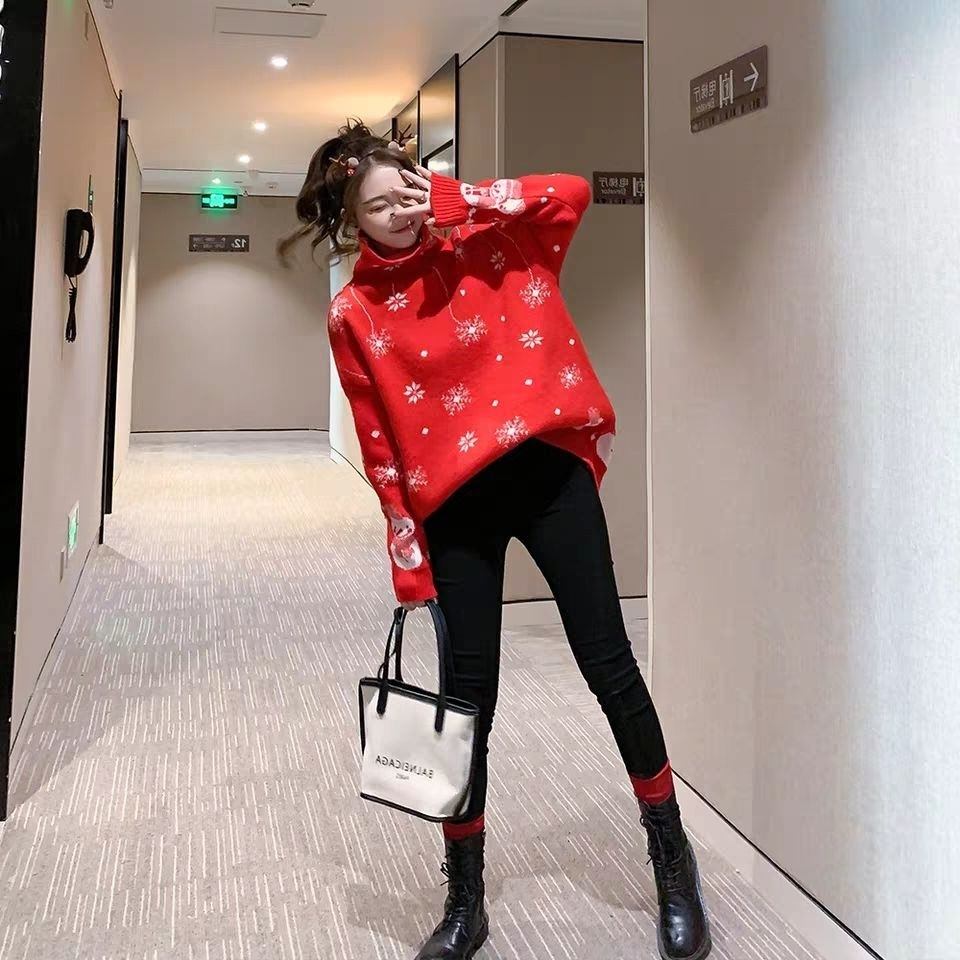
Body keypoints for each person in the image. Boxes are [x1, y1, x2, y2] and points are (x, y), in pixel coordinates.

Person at [279, 119, 711, 960]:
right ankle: (465, 898)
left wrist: (462, 198)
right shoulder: (353, 312)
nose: (401, 213)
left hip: (546, 478)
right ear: (351, 221)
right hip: (454, 510)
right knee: (466, 704)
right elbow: (379, 446)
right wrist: (407, 560)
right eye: (379, 206)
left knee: (610, 664)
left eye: (407, 192)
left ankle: (672, 858)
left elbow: (570, 195)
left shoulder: (486, 238)